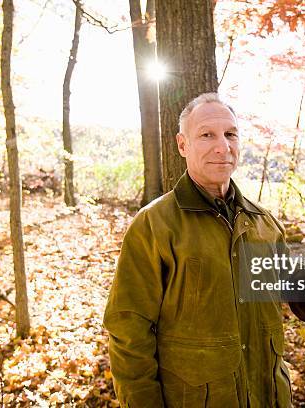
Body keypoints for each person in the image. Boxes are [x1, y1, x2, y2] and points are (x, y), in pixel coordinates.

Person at [103, 93, 292, 407]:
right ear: (182, 145)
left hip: (268, 397)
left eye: (231, 134)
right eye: (207, 135)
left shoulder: (266, 224)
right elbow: (128, 332)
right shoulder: (154, 225)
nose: (223, 146)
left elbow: (296, 296)